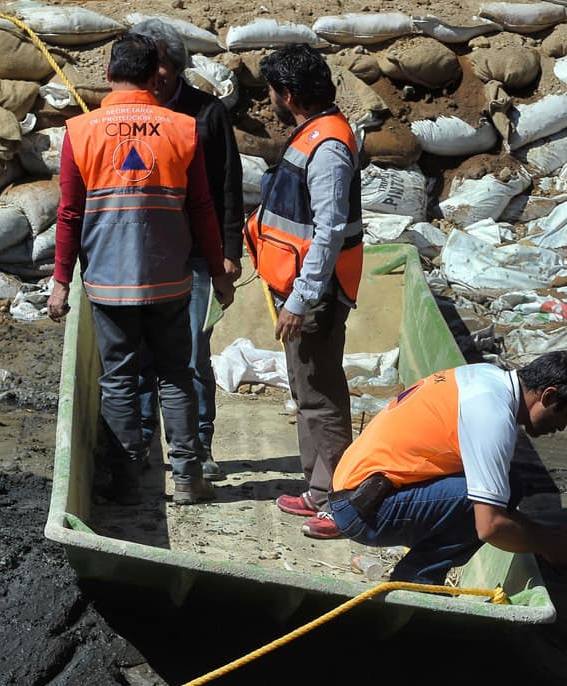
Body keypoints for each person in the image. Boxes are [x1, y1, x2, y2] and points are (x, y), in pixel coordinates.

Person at [47, 32, 235, 505]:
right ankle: (188, 477)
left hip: (108, 284)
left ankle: (128, 482)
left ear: (107, 74)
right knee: (176, 374)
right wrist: (218, 271)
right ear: (157, 77)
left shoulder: (80, 131)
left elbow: (69, 213)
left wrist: (60, 282)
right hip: (171, 280)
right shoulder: (182, 128)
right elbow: (203, 208)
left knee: (119, 379)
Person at [328, 351, 567, 584]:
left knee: (507, 485)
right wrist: (547, 545)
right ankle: (416, 580)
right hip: (361, 510)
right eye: (566, 414)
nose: (562, 427)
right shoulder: (492, 415)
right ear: (548, 396)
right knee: (506, 490)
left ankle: (417, 573)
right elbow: (490, 526)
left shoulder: (485, 376)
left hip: (355, 493)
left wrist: (544, 534)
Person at [244, 44, 363, 540]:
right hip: (297, 286)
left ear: (288, 95)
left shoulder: (329, 148)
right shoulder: (315, 134)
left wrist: (301, 299)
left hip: (313, 294)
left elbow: (330, 230)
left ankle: (338, 499)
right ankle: (318, 487)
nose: (268, 100)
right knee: (305, 389)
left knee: (320, 393)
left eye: (272, 91)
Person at [129, 18, 244, 482]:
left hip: (196, 254)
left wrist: (228, 250)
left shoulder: (207, 114)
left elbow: (228, 187)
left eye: (158, 69)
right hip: (143, 253)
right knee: (138, 354)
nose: (153, 78)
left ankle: (199, 444)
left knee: (194, 352)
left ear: (171, 68)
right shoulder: (127, 115)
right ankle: (140, 447)